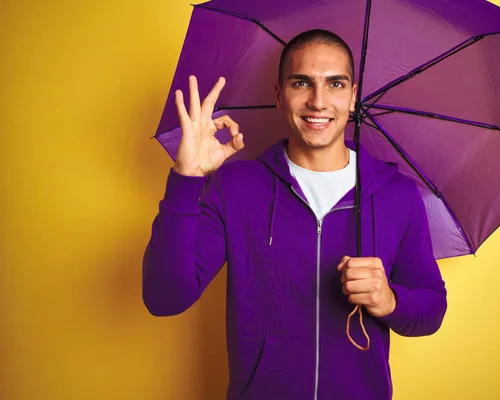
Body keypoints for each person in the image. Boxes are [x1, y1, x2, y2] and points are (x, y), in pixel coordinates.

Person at [142, 29, 447, 400]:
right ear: (279, 95)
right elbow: (165, 298)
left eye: (335, 84)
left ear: (352, 98)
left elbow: (431, 310)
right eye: (302, 83)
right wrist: (186, 178)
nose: (318, 101)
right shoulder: (236, 186)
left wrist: (390, 301)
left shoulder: (397, 194)